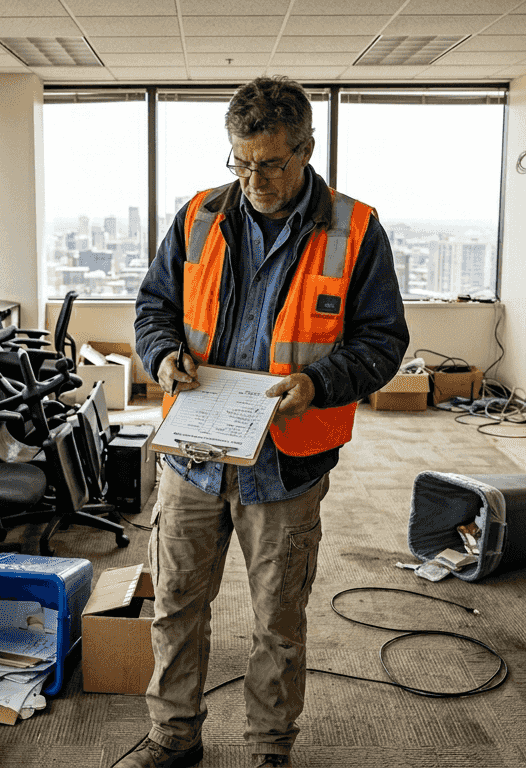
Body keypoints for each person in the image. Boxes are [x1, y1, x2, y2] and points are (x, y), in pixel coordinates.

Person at [126, 76, 410, 768]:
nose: (255, 178)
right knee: (175, 607)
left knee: (277, 623)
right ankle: (173, 736)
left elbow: (383, 342)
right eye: (242, 162)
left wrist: (319, 382)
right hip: (192, 455)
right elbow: (152, 311)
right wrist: (162, 359)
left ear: (307, 149)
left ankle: (267, 749)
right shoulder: (197, 217)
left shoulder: (356, 229)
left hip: (284, 464)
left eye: (272, 164)